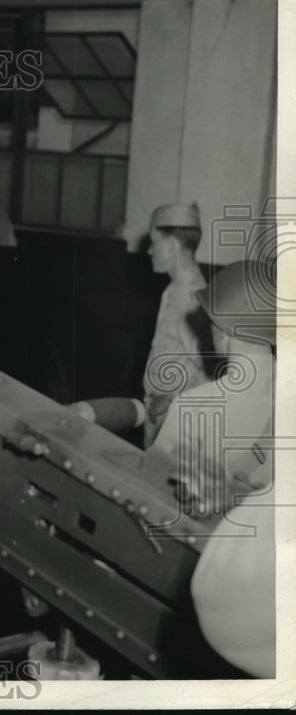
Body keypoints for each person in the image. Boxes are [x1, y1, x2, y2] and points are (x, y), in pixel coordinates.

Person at [149, 259, 276, 677]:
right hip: (258, 594)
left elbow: (143, 498)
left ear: (226, 332)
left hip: (179, 581)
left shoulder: (196, 406)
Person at [141, 202, 215, 446]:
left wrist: (172, 399)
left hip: (175, 426)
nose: (149, 251)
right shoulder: (174, 290)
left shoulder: (192, 300)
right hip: (158, 418)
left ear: (172, 246)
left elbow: (212, 373)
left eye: (154, 243)